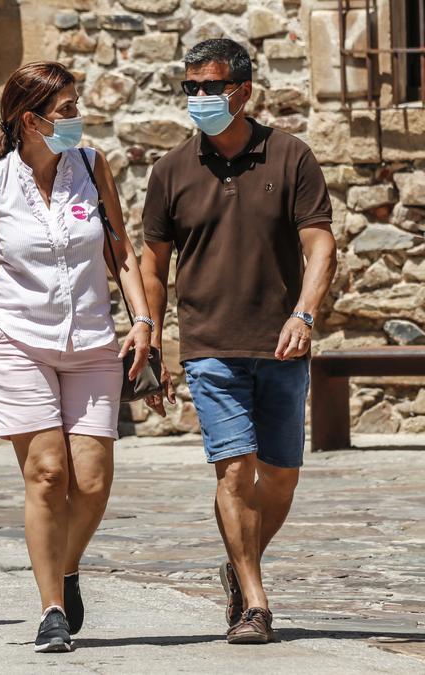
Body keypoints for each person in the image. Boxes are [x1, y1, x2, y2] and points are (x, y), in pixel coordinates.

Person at [0, 61, 154, 653]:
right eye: (67, 109)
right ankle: (52, 606)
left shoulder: (93, 166)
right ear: (31, 120)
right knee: (48, 472)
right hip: (19, 340)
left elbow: (121, 253)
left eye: (76, 107)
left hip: (93, 342)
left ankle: (66, 566)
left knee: (94, 482)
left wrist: (145, 319)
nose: (77, 118)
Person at [139, 39, 337, 645]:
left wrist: (304, 316)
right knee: (234, 469)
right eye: (190, 88)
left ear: (243, 91)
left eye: (210, 87)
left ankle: (237, 558)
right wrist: (150, 338)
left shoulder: (290, 156)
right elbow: (152, 263)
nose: (199, 98)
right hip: (210, 347)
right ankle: (254, 600)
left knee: (279, 477)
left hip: (282, 344)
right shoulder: (170, 170)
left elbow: (321, 247)